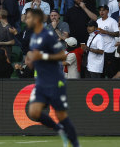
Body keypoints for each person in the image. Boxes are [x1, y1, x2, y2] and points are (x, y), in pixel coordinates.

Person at [25, 8, 80, 147]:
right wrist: (31, 61)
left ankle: (75, 144)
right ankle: (59, 130)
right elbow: (37, 58)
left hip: (55, 81)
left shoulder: (48, 35)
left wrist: (42, 56)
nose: (26, 20)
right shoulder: (34, 37)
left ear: (36, 19)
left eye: (29, 17)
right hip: (42, 82)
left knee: (62, 116)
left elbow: (62, 55)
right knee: (34, 112)